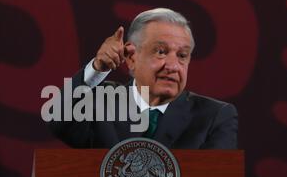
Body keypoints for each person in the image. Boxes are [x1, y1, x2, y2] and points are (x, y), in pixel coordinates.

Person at [49, 8, 238, 149]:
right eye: (161, 52)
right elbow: (58, 120)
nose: (173, 66)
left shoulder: (214, 116)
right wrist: (97, 68)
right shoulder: (100, 101)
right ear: (131, 57)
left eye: (182, 56)